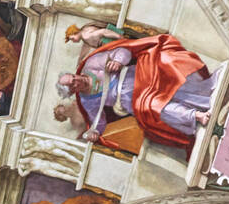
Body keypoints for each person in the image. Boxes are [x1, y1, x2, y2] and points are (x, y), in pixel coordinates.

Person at [58, 33, 218, 156]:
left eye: (73, 77)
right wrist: (95, 133)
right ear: (73, 91)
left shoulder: (91, 65)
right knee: (151, 106)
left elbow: (123, 51)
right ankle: (197, 116)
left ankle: (205, 88)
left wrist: (118, 61)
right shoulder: (87, 101)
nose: (77, 80)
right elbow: (98, 121)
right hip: (134, 101)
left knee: (166, 65)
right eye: (73, 84)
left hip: (141, 75)